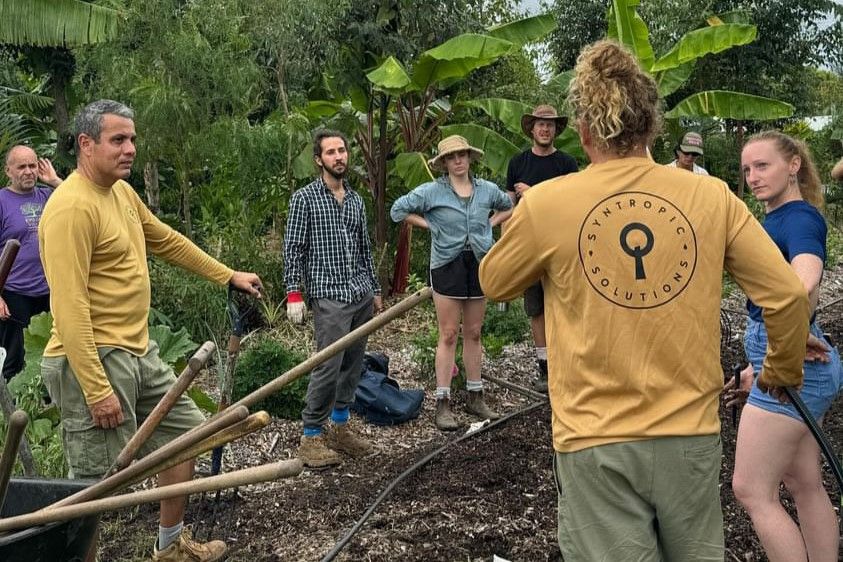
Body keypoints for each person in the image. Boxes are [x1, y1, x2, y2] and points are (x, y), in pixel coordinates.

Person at [479, 40, 810, 561]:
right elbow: (788, 298)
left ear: (584, 131)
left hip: (593, 440)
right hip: (690, 436)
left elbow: (494, 281)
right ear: (651, 127)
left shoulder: (548, 203)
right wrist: (781, 371)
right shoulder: (712, 196)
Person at [39, 100, 262, 562]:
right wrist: (97, 388)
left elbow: (163, 238)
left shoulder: (120, 193)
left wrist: (226, 274)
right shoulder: (70, 209)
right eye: (118, 139)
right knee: (97, 487)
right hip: (93, 361)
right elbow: (69, 306)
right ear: (86, 144)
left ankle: (170, 545)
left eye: (132, 139)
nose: (130, 149)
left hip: (138, 352)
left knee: (187, 436)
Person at [727, 131, 842, 562]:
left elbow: (804, 282)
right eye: (748, 170)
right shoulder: (778, 216)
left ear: (793, 165)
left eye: (763, 166)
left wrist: (786, 338)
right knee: (803, 481)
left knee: (751, 489)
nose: (753, 177)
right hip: (794, 358)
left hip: (794, 363)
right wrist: (757, 364)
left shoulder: (797, 218)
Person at [391, 135, 512, 431]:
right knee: (447, 333)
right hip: (448, 264)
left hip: (480, 263)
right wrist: (429, 225)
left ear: (470, 157)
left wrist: (489, 225)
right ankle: (442, 402)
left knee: (473, 332)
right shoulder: (432, 192)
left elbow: (508, 205)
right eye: (451, 157)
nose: (458, 161)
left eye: (462, 155)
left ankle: (475, 394)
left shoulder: (486, 190)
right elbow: (398, 211)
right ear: (444, 163)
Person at [284, 129, 382, 469]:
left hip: (359, 294)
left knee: (354, 363)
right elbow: (293, 250)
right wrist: (293, 293)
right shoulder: (305, 199)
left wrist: (376, 290)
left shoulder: (355, 201)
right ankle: (311, 434)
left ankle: (340, 427)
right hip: (329, 296)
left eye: (342, 150)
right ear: (318, 160)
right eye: (331, 152)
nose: (338, 156)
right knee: (328, 365)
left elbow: (364, 250)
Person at [505, 104, 578, 392]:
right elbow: (509, 205)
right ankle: (545, 366)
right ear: (532, 129)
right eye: (540, 124)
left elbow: (573, 202)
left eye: (549, 125)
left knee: (566, 305)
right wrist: (506, 241)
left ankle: (568, 364)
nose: (545, 129)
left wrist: (534, 192)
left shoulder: (567, 163)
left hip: (561, 243)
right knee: (536, 307)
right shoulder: (518, 163)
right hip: (529, 245)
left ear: (556, 130)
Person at [0, 146, 62, 380]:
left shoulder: (47, 196)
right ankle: (9, 413)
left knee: (52, 353)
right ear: (8, 171)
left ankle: (46, 405)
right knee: (14, 359)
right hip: (14, 291)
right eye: (21, 167)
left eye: (32, 165)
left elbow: (83, 199)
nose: (28, 171)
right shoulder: (2, 201)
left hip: (48, 290)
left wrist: (54, 180)